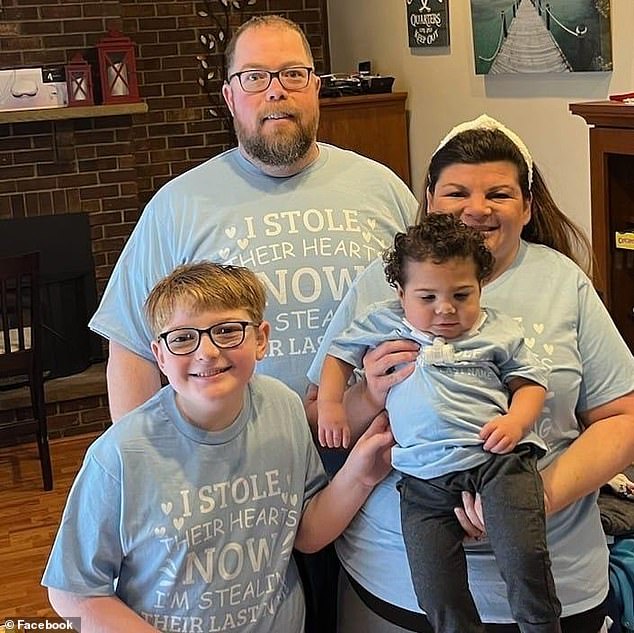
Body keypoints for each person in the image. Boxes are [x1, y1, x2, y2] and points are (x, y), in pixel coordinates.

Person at [307, 114, 634, 633]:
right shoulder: (382, 284)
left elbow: (623, 418)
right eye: (457, 191)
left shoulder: (560, 281)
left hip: (556, 583)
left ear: (527, 206)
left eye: (499, 194)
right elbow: (322, 418)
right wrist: (369, 394)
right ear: (430, 198)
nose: (476, 209)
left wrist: (536, 498)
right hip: (398, 581)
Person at [88, 14, 417, 422]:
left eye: (293, 74)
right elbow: (132, 346)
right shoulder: (178, 206)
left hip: (377, 444)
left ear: (315, 89)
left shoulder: (383, 189)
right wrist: (140, 465)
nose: (276, 91)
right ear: (229, 96)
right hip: (237, 461)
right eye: (254, 77)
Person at [42, 262, 394, 633]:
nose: (206, 352)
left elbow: (304, 534)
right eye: (181, 338)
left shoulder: (283, 408)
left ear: (261, 338)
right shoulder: (120, 455)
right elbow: (73, 593)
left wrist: (360, 474)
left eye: (227, 331)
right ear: (160, 355)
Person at [317, 214, 559, 633]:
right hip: (422, 478)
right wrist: (331, 405)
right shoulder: (382, 321)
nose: (446, 308)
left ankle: (541, 625)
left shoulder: (497, 328)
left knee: (524, 557)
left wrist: (517, 422)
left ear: (481, 286)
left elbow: (531, 383)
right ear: (400, 292)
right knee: (433, 584)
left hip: (498, 462)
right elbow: (338, 357)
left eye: (462, 294)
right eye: (427, 297)